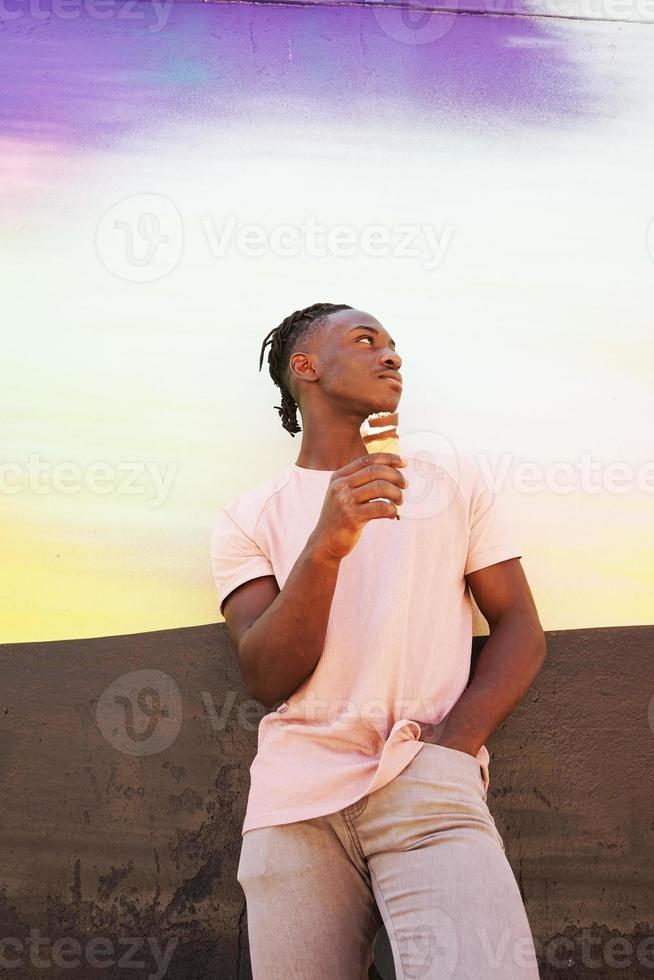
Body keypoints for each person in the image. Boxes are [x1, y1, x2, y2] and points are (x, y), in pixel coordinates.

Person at [210, 301, 546, 979]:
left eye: (394, 345)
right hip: (294, 807)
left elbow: (519, 628)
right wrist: (327, 544)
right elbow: (267, 676)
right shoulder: (248, 517)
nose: (391, 355)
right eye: (366, 341)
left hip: (429, 783)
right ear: (304, 367)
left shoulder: (447, 481)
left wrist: (452, 751)